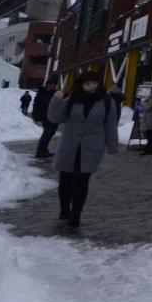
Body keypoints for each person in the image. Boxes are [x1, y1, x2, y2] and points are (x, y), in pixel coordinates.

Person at [47, 71, 120, 229]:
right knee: (65, 181)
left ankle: (76, 213)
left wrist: (113, 146)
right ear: (81, 85)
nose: (92, 86)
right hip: (69, 145)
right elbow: (55, 118)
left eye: (94, 83)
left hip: (92, 147)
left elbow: (110, 123)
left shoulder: (107, 101)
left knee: (82, 181)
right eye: (87, 84)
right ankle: (65, 209)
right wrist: (56, 100)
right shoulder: (72, 99)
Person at [31, 78, 60, 159]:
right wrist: (36, 115)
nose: (55, 87)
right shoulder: (42, 93)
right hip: (46, 117)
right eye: (53, 85)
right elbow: (37, 105)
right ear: (49, 85)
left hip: (54, 117)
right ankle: (40, 151)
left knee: (51, 133)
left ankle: (44, 149)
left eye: (55, 85)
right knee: (46, 133)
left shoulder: (54, 93)